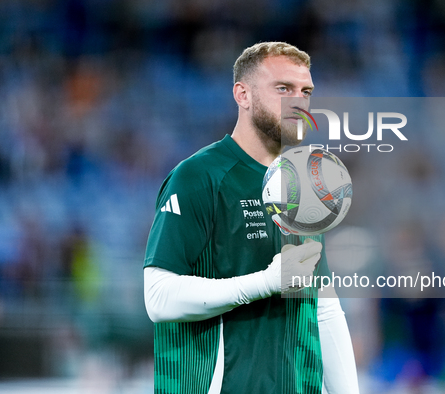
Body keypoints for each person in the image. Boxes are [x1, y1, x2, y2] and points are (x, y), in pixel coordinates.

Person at [143, 42, 359, 394]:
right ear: (242, 94)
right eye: (283, 88)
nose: (298, 102)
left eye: (306, 91)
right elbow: (158, 298)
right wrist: (266, 281)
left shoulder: (305, 184)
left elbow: (323, 308)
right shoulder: (199, 177)